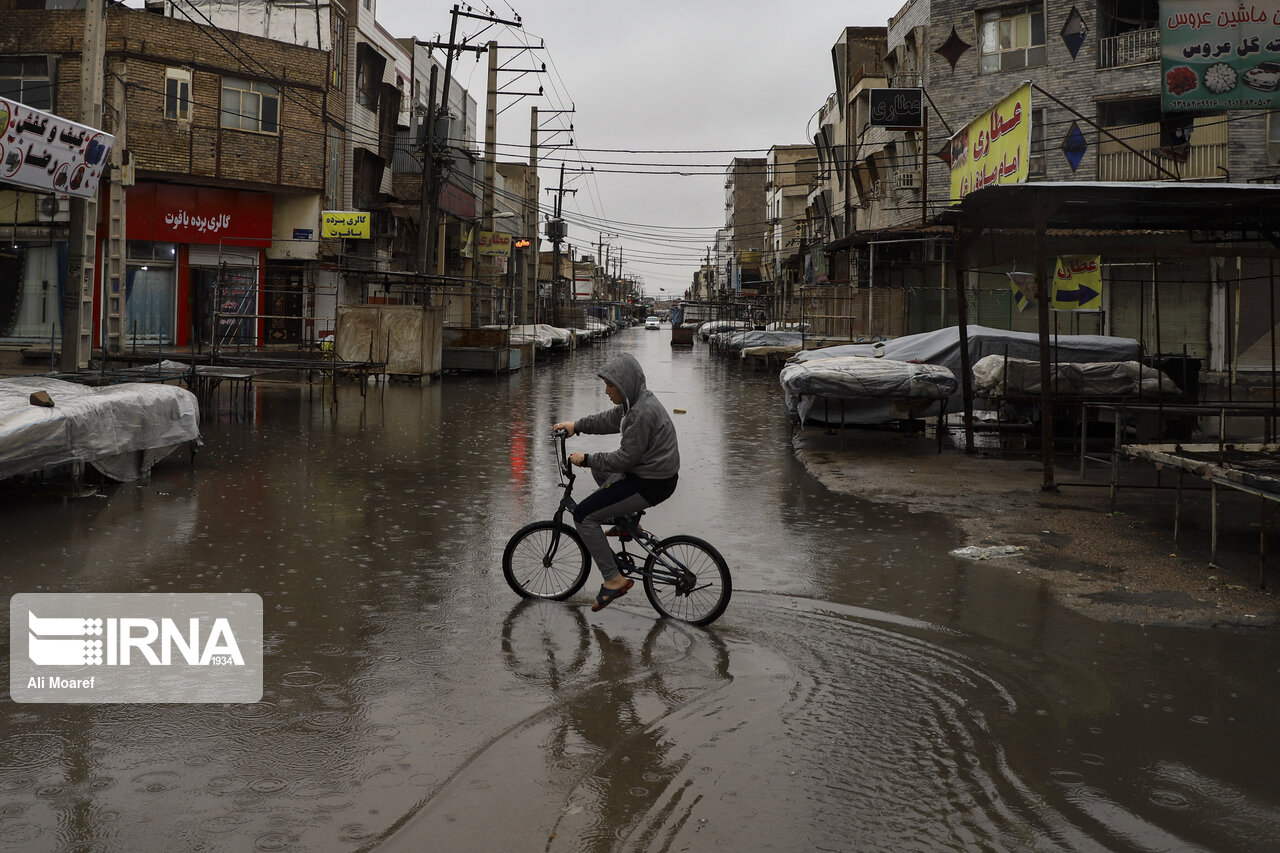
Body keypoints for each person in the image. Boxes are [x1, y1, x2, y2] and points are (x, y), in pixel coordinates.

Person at [552, 352, 680, 612]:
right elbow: (609, 420)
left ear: (625, 384)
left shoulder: (640, 414)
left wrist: (587, 458)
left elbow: (623, 460)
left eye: (611, 385)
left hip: (651, 482)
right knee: (603, 475)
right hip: (652, 473)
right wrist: (577, 425)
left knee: (585, 516)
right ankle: (628, 522)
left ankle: (613, 579)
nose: (607, 390)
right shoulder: (635, 403)